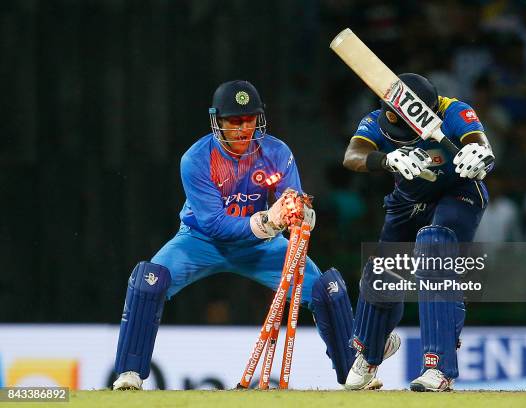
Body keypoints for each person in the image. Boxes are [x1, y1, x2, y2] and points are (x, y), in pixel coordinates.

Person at [112, 80, 399, 390]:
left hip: (260, 246)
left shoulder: (276, 152)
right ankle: (129, 374)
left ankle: (355, 373)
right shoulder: (195, 160)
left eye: (249, 119)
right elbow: (214, 225)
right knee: (148, 281)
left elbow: (294, 200)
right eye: (234, 121)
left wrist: (301, 213)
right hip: (200, 241)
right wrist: (267, 222)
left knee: (326, 288)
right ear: (217, 121)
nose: (243, 128)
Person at [342, 73, 494, 391]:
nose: (400, 140)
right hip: (408, 200)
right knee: (383, 270)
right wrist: (385, 159)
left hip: (458, 193)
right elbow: (351, 156)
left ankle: (438, 367)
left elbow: (478, 142)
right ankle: (370, 354)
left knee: (433, 248)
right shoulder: (377, 118)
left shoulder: (454, 111)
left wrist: (478, 156)